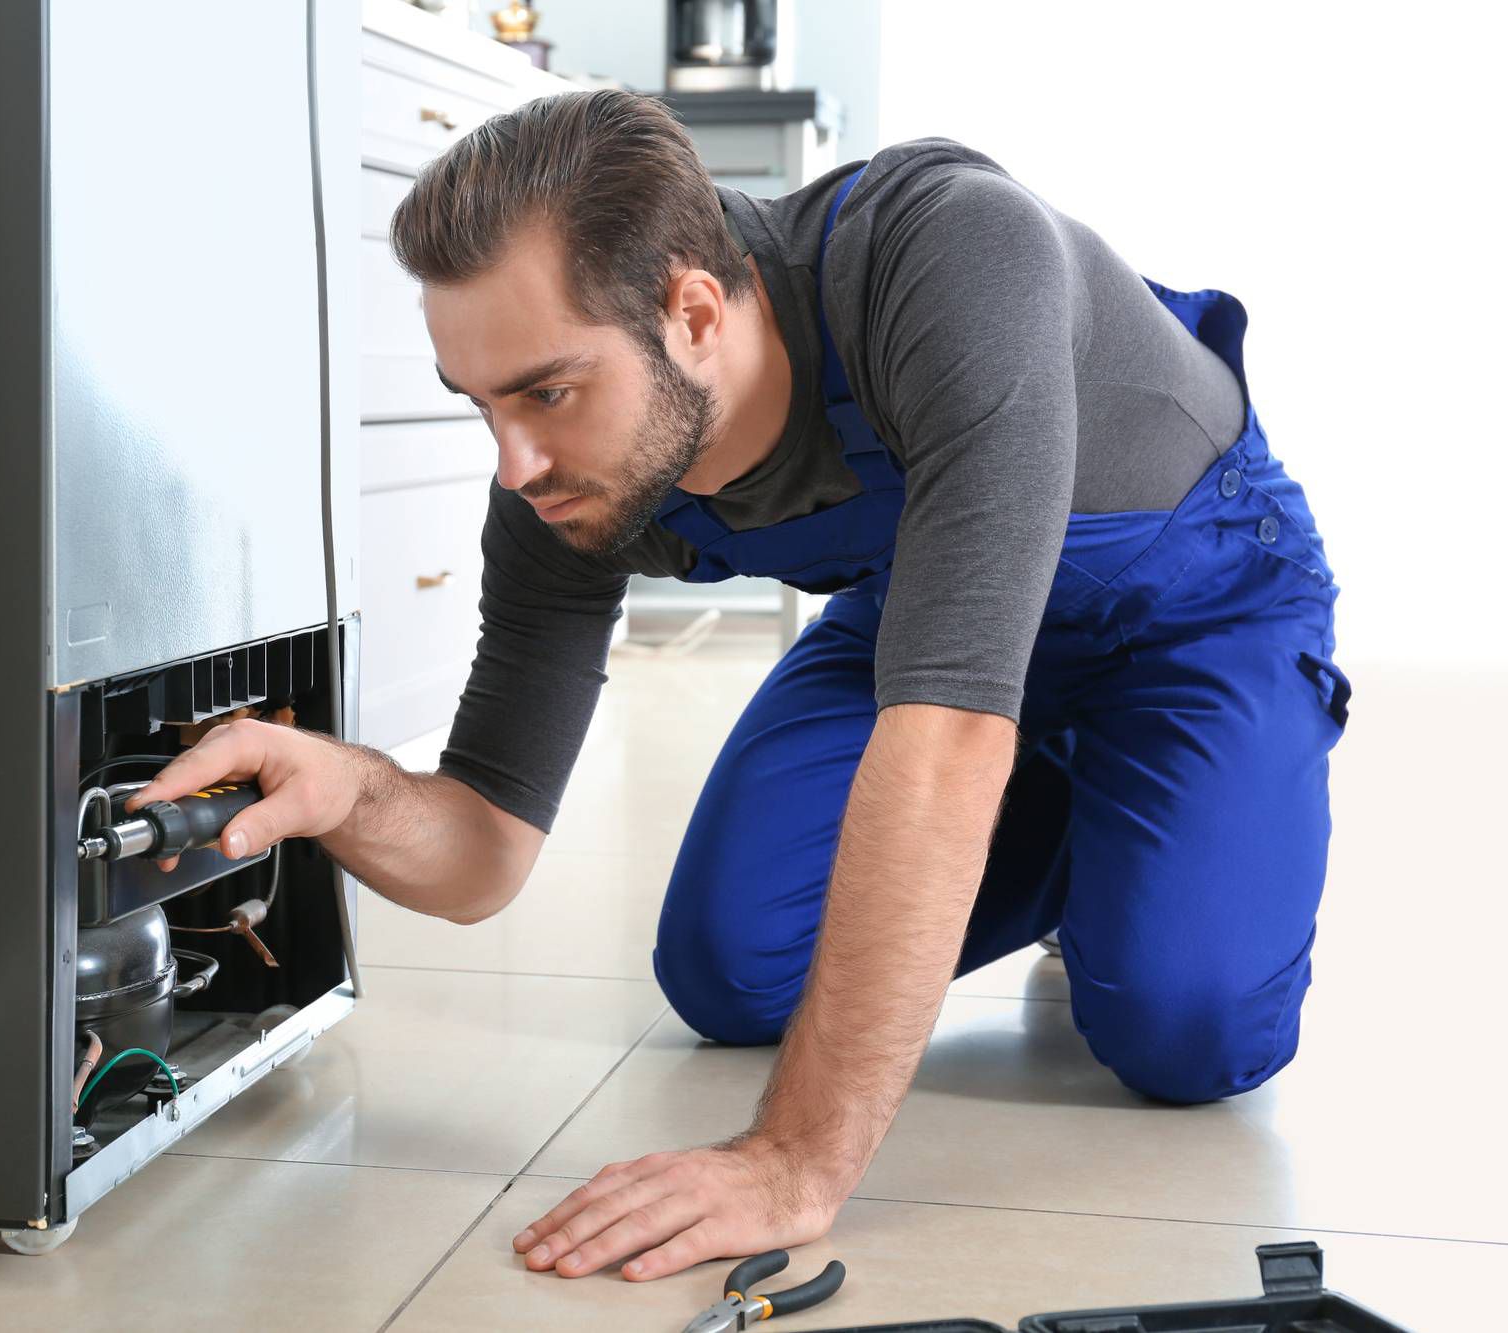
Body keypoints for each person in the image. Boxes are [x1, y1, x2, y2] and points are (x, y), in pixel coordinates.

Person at [127, 90, 1350, 1282]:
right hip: (934, 631)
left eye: (547, 390)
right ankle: (1097, 832)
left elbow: (943, 741)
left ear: (694, 310)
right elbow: (481, 853)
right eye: (481, 403)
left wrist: (793, 1159)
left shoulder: (946, 254)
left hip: (1195, 609)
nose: (513, 463)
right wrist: (347, 788)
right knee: (732, 969)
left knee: (1186, 1028)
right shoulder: (557, 490)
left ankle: (1146, 845)